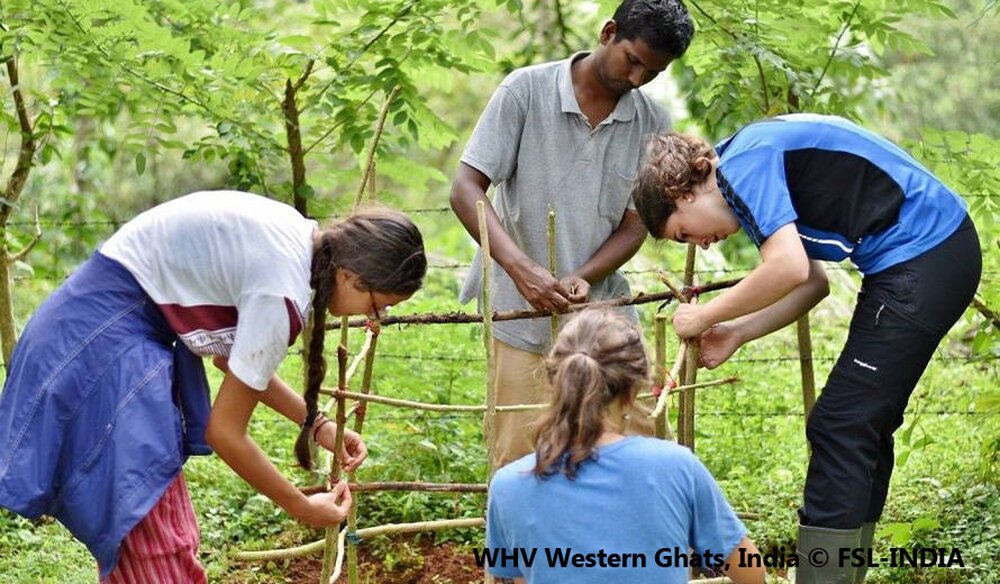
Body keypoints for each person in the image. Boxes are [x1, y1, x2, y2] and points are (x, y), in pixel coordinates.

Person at [0, 191, 427, 582]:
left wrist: (316, 424)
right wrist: (300, 505)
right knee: (157, 544)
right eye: (379, 305)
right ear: (351, 277)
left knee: (156, 538)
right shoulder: (282, 290)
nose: (378, 317)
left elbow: (234, 359)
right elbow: (225, 433)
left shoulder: (297, 237)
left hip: (88, 330)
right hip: (98, 349)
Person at [631, 113, 982, 583]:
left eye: (684, 233)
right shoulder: (743, 173)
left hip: (925, 254)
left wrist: (705, 315)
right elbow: (812, 282)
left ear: (684, 193)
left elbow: (789, 269)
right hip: (930, 255)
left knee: (841, 424)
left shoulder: (745, 164)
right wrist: (737, 332)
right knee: (859, 425)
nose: (703, 246)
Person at [450, 0, 695, 469]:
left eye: (654, 72)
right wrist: (523, 271)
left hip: (602, 308)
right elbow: (466, 188)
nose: (638, 79)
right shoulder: (526, 90)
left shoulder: (652, 122)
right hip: (516, 308)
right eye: (634, 61)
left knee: (638, 436)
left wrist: (585, 275)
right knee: (520, 450)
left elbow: (634, 224)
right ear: (608, 33)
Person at [485, 308, 764, 584]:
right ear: (634, 389)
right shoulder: (676, 467)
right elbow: (751, 573)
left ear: (552, 381)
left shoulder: (508, 484)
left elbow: (521, 579)